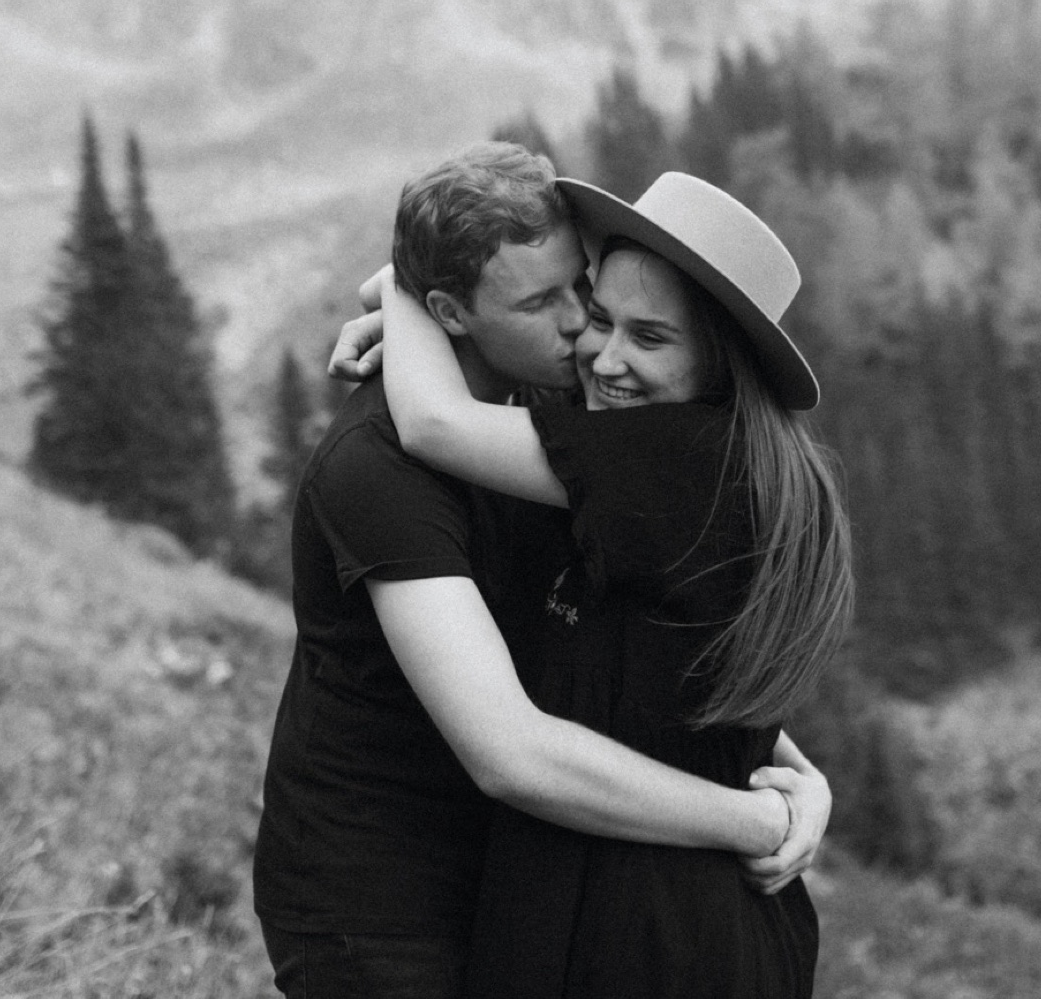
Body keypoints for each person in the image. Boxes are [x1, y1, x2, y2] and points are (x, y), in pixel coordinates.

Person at [254, 143, 830, 999]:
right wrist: (759, 810)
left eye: (580, 292)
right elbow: (514, 748)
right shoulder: (383, 466)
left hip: (513, 881)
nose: (582, 335)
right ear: (456, 312)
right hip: (379, 906)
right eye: (547, 302)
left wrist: (798, 782)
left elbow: (648, 666)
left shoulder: (595, 432)